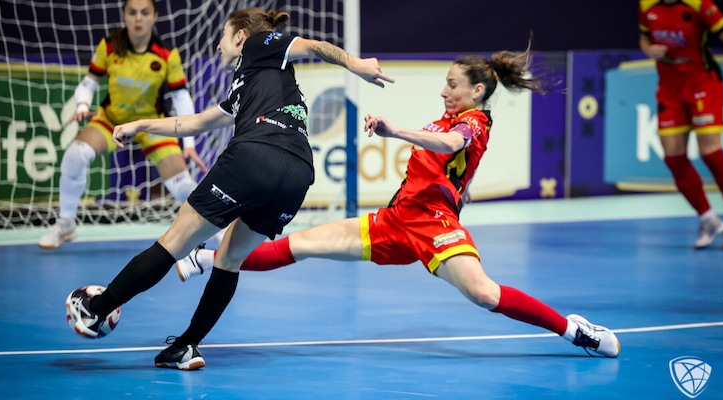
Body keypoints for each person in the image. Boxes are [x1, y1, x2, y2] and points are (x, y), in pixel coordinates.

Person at [176, 47, 622, 359]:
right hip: (393, 221)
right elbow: (455, 165)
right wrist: (461, 185)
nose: (444, 91)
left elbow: (450, 144)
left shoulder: (474, 122)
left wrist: (396, 131)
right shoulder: (452, 116)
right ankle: (207, 256)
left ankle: (573, 330)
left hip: (434, 226)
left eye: (451, 84)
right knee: (302, 244)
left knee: (484, 294)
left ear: (478, 91)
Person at [65, 7, 394, 370]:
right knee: (229, 259)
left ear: (239, 37)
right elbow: (196, 122)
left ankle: (95, 309)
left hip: (254, 157)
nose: (218, 46)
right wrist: (142, 124)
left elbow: (313, 45)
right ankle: (185, 347)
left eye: (222, 37)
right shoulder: (247, 84)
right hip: (297, 175)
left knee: (173, 243)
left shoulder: (258, 45)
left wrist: (356, 64)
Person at [38, 0, 221, 249]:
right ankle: (66, 224)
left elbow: (180, 96)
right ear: (124, 15)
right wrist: (82, 106)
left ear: (154, 16)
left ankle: (215, 228)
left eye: (144, 12)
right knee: (74, 155)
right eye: (132, 12)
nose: (138, 18)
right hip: (111, 120)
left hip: (151, 125)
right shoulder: (110, 46)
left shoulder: (166, 53)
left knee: (182, 184)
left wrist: (188, 143)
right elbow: (89, 82)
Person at [639, 0, 723, 249]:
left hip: (703, 84)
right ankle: (708, 219)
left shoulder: (700, 5)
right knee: (674, 159)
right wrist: (649, 49)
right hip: (669, 90)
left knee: (711, 154)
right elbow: (644, 38)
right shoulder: (646, 5)